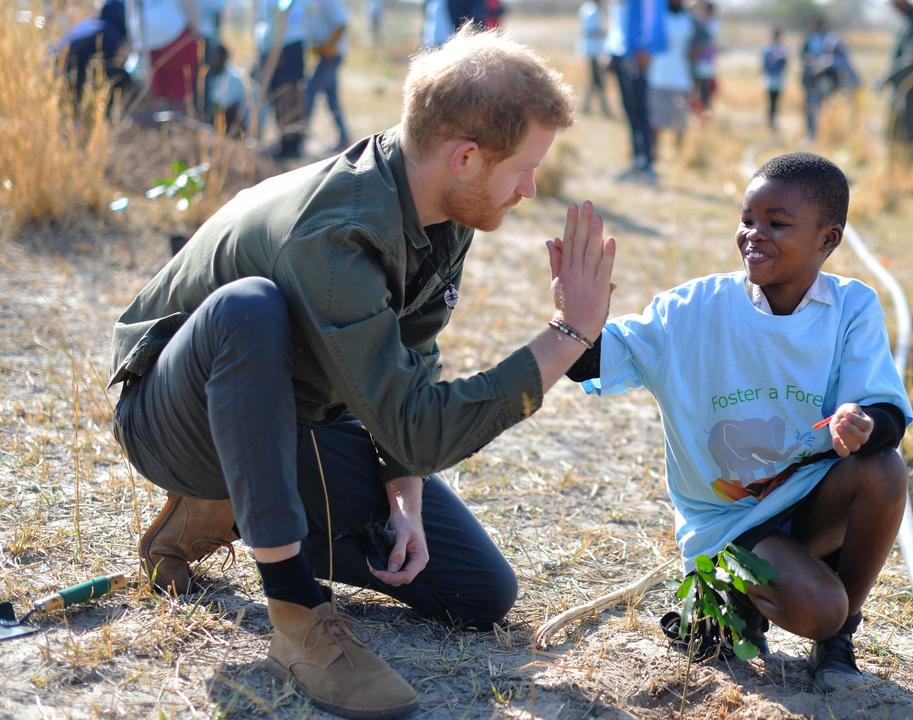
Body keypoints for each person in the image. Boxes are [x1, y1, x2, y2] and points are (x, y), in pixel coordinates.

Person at [111, 27, 611, 720]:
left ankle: (233, 509)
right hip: (175, 415)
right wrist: (568, 336)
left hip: (301, 412)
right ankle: (295, 615)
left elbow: (411, 367)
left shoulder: (442, 206)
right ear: (466, 157)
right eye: (525, 169)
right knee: (248, 311)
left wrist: (402, 494)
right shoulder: (337, 229)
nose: (529, 190)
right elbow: (421, 426)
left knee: (478, 593)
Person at [568, 152, 910, 694]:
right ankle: (728, 597)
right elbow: (594, 361)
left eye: (777, 223)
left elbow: (888, 413)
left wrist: (861, 421)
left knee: (885, 471)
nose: (755, 234)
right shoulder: (694, 308)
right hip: (730, 521)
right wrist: (575, 323)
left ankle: (840, 636)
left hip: (806, 498)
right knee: (818, 607)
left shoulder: (851, 307)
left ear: (828, 240)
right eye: (748, 220)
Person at [604, 0, 667, 182]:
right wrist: (610, 49)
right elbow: (618, 18)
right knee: (630, 110)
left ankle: (647, 163)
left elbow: (651, 14)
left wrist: (645, 46)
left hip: (638, 53)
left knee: (641, 111)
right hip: (620, 53)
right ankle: (637, 161)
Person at [255, 0, 310, 160]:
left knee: (285, 94)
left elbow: (283, 12)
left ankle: (289, 142)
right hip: (284, 43)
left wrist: (276, 48)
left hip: (283, 45)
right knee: (289, 94)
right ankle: (291, 142)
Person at [878, 0, 913, 170]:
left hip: (911, 86)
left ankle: (907, 172)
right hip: (899, 86)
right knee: (893, 130)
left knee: (907, 131)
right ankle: (893, 168)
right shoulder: (903, 20)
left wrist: (889, 77)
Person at [127, 0, 201, 110]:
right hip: (176, 36)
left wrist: (137, 44)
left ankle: (165, 123)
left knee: (160, 95)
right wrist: (197, 29)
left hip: (148, 42)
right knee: (181, 95)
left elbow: (131, 13)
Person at [646, 0, 695, 163]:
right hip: (657, 77)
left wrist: (694, 53)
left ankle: (679, 158)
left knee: (680, 122)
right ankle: (653, 155)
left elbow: (702, 42)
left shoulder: (689, 19)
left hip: (681, 80)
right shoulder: (657, 17)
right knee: (655, 121)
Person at [800, 17, 858, 142]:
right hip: (812, 80)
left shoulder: (829, 42)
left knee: (825, 107)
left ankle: (824, 134)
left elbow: (841, 63)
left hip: (825, 81)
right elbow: (804, 57)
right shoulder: (809, 40)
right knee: (811, 107)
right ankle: (812, 134)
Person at [304, 0, 351, 152]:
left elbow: (342, 23)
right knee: (332, 99)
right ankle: (344, 138)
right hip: (325, 55)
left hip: (331, 55)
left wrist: (329, 45)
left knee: (310, 92)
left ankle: (300, 135)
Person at [199, 43, 247, 135]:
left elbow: (221, 106)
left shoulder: (232, 79)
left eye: (215, 58)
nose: (212, 61)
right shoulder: (215, 76)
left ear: (224, 59)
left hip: (247, 122)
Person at [576, 0, 612, 117]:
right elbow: (591, 30)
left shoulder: (591, 8)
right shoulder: (591, 10)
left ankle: (587, 107)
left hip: (596, 49)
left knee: (595, 79)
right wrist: (605, 33)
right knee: (598, 79)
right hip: (593, 50)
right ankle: (603, 108)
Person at [689, 0, 717, 118]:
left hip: (706, 62)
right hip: (695, 62)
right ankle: (696, 111)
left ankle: (703, 112)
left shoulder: (711, 24)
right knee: (695, 88)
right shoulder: (695, 22)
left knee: (704, 89)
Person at [761, 27, 787, 132]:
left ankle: (773, 122)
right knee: (771, 102)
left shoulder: (781, 49)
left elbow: (784, 64)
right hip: (771, 78)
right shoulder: (769, 49)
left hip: (777, 79)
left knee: (775, 102)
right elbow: (765, 64)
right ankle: (770, 123)